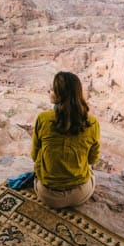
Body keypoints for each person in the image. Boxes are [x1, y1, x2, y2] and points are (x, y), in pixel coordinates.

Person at [31, 71, 100, 208]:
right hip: (80, 195)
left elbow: (34, 156)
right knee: (90, 172)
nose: (50, 92)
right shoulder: (92, 123)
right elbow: (92, 160)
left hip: (48, 196)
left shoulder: (43, 118)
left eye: (52, 89)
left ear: (58, 94)